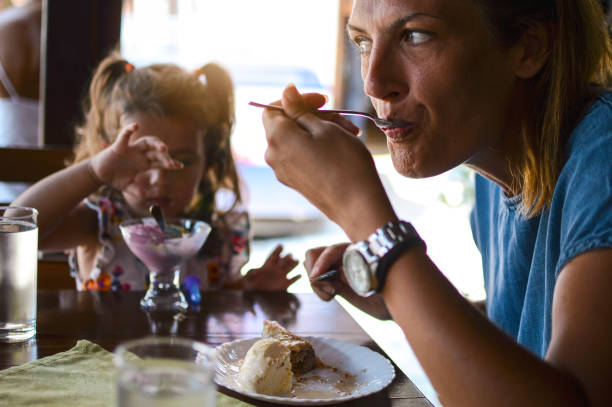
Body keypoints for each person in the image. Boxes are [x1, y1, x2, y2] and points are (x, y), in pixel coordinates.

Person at [260, 0, 612, 406]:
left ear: (529, 47)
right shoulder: (495, 174)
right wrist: (402, 291)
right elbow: (525, 331)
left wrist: (380, 240)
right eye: (362, 41)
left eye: (415, 36)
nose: (374, 84)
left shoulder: (601, 160)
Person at [12, 51, 299, 292]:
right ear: (110, 155)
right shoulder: (97, 225)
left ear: (207, 159)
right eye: (142, 160)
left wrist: (250, 288)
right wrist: (93, 171)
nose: (159, 179)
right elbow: (14, 227)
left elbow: (214, 306)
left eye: (182, 161)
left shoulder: (217, 235)